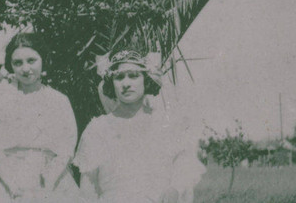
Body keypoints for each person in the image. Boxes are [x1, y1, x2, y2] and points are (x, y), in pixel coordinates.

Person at [74, 50, 205, 203]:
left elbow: (184, 164)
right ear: (112, 84)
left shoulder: (165, 124)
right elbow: (88, 191)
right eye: (119, 77)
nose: (126, 83)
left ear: (146, 80)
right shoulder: (97, 130)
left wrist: (175, 189)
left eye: (134, 76)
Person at [0, 32, 79, 202]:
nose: (25, 69)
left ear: (43, 59)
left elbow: (66, 147)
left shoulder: (59, 100)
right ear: (11, 65)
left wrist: (48, 182)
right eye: (18, 63)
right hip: (8, 180)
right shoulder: (1, 100)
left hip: (50, 179)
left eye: (31, 61)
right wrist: (13, 184)